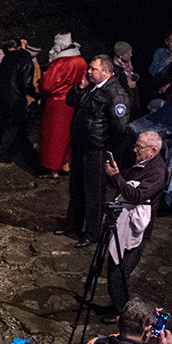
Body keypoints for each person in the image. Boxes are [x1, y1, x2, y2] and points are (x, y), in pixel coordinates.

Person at [59, 55, 131, 247]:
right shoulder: (91, 86)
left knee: (93, 192)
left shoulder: (116, 93)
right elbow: (70, 101)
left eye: (93, 69)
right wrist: (80, 86)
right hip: (81, 145)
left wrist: (108, 149)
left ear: (106, 72)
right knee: (76, 187)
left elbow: (121, 128)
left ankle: (92, 233)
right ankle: (73, 225)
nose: (88, 71)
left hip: (96, 149)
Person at [103, 131, 168, 314]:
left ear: (153, 151)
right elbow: (125, 179)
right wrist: (115, 174)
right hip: (122, 222)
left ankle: (123, 312)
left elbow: (137, 196)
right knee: (114, 268)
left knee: (121, 272)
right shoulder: (142, 163)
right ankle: (117, 307)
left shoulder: (157, 172)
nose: (135, 150)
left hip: (137, 230)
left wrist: (116, 177)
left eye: (139, 147)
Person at [38, 32, 87, 178]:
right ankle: (66, 164)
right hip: (75, 102)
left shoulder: (59, 63)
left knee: (54, 136)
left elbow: (47, 85)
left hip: (57, 104)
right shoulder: (81, 61)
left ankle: (52, 168)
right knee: (69, 135)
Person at [0, 39, 37, 164]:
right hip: (15, 99)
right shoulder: (25, 61)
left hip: (2, 97)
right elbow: (26, 84)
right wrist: (37, 95)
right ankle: (0, 154)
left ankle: (15, 151)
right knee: (13, 127)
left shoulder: (5, 59)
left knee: (8, 125)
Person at [112, 41, 140, 117]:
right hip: (125, 96)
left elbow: (129, 72)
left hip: (132, 92)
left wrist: (133, 75)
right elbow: (117, 85)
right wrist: (128, 85)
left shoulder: (127, 63)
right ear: (120, 56)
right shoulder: (115, 68)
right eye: (128, 54)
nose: (131, 55)